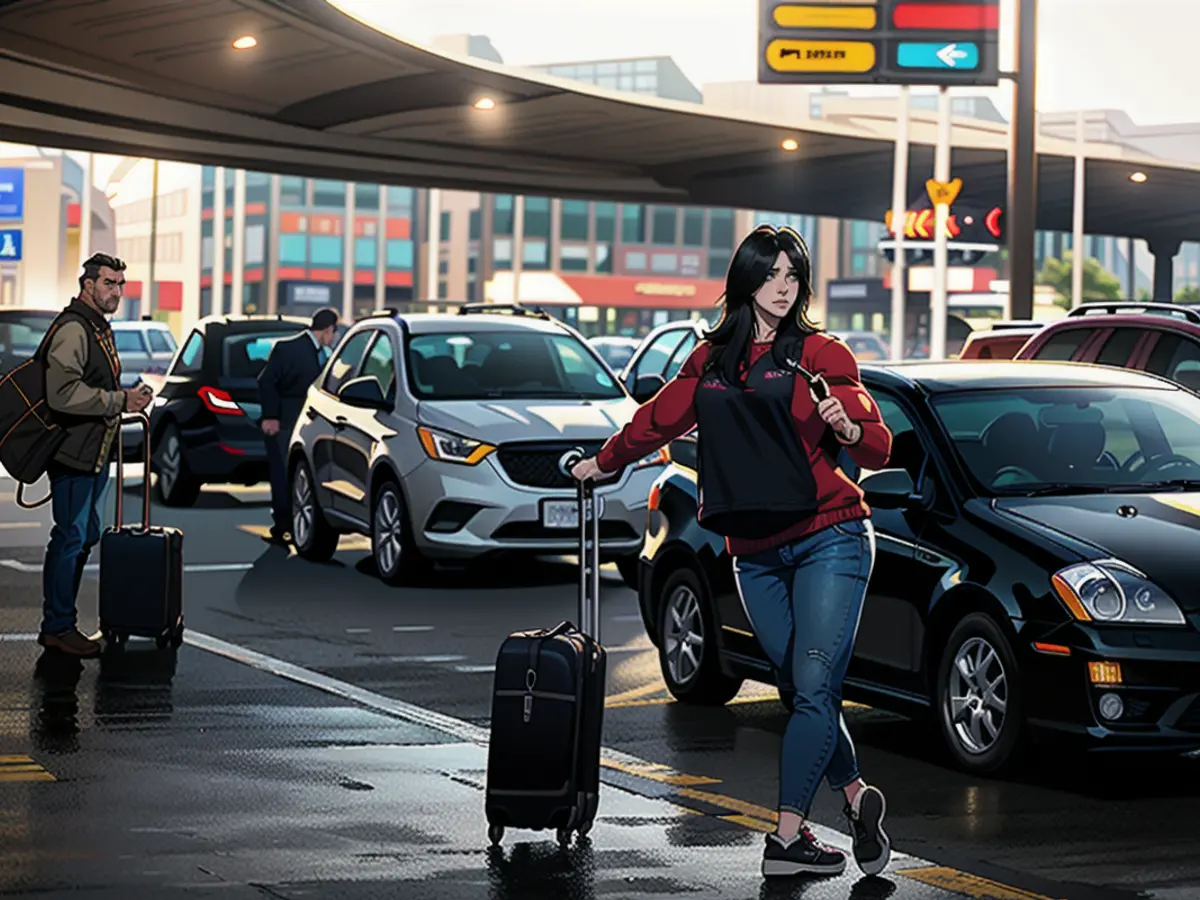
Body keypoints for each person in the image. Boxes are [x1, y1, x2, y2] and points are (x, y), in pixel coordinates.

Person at [571, 225, 894, 880]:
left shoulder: (822, 354)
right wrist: (599, 465)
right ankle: (857, 798)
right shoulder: (711, 360)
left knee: (808, 687)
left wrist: (850, 427)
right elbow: (658, 419)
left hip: (830, 538)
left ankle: (785, 840)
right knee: (807, 689)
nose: (783, 286)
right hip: (754, 552)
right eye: (772, 274)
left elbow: (877, 445)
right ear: (745, 279)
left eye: (793, 276)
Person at [40, 253, 154, 657]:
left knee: (83, 534)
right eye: (109, 283)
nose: (117, 292)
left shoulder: (97, 327)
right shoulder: (74, 329)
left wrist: (127, 399)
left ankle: (60, 621)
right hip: (73, 453)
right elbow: (62, 393)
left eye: (121, 284)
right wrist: (120, 400)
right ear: (87, 284)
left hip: (94, 452)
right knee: (70, 536)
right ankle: (57, 626)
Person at [258, 308, 339, 545]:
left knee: (298, 474)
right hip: (286, 420)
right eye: (332, 332)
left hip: (309, 422)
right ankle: (283, 524)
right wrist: (271, 416)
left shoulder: (324, 354)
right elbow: (266, 381)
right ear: (326, 330)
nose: (332, 338)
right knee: (283, 472)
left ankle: (298, 524)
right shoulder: (288, 348)